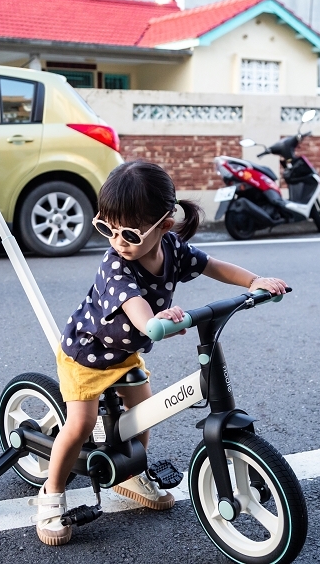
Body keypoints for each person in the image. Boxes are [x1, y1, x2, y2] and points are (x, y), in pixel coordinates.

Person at [30, 160, 287, 546]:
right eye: (107, 228)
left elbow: (213, 265)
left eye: (129, 233)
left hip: (125, 354)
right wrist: (156, 321)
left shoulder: (172, 248)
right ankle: (50, 494)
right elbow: (136, 309)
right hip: (86, 354)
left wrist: (254, 281)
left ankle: (132, 474)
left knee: (141, 414)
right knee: (80, 425)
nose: (117, 240)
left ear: (164, 225)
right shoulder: (115, 264)